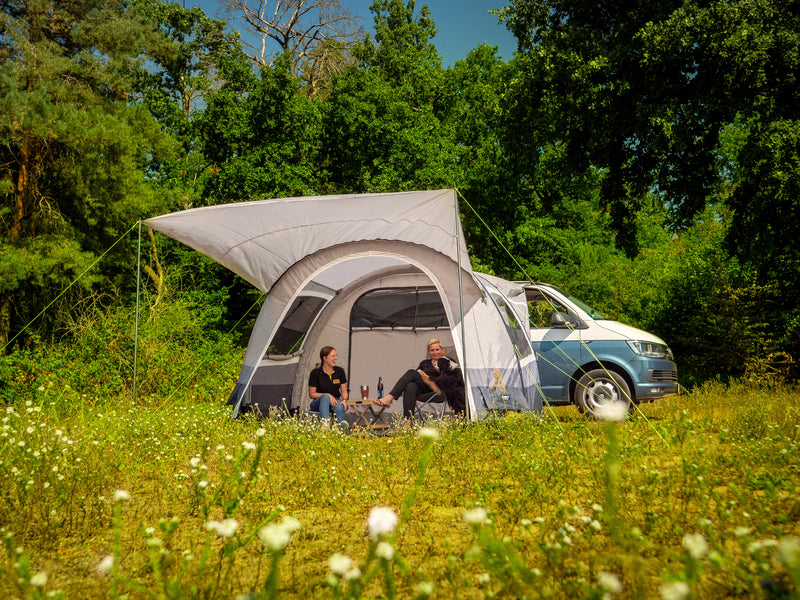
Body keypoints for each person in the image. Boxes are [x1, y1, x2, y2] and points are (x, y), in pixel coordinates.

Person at [374, 338, 465, 424]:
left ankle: (389, 398)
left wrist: (435, 375)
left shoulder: (447, 361)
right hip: (424, 390)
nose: (435, 352)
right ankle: (408, 422)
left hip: (438, 390)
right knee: (411, 386)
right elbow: (416, 377)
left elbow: (453, 378)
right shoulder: (424, 363)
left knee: (411, 373)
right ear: (429, 351)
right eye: (432, 350)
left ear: (441, 349)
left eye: (437, 349)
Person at [308, 346, 349, 431]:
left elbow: (344, 390)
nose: (336, 358)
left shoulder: (340, 371)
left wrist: (344, 400)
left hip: (335, 401)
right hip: (318, 403)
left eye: (336, 356)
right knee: (325, 397)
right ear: (325, 358)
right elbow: (312, 394)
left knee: (339, 406)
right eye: (333, 356)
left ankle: (344, 430)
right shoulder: (315, 373)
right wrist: (327, 395)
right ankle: (325, 424)